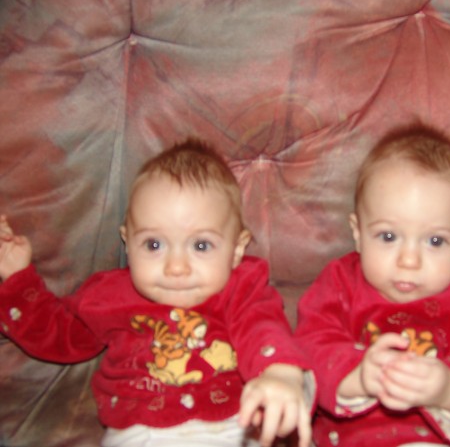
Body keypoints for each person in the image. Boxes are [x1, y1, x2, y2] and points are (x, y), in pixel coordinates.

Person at [0, 139, 314, 447]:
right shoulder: (107, 295)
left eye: (201, 245)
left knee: (299, 390)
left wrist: (279, 373)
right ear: (128, 241)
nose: (176, 267)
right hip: (144, 431)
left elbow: (262, 327)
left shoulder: (241, 289)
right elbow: (60, 335)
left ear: (236, 250)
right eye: (153, 245)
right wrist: (17, 279)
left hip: (236, 423)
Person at [294, 124, 450, 447]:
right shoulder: (338, 284)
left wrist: (446, 388)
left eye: (436, 241)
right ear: (358, 233)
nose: (409, 261)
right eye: (388, 236)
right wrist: (358, 375)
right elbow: (310, 346)